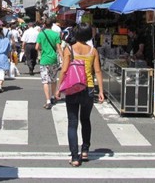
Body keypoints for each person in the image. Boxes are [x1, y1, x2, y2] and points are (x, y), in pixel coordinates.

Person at [59, 23, 104, 167]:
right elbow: (97, 71)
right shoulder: (93, 51)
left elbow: (64, 70)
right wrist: (101, 91)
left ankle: (74, 157)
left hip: (73, 88)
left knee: (72, 123)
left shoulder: (69, 49)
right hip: (89, 88)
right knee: (86, 119)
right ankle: (85, 150)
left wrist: (59, 88)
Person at [36, 18, 62, 109]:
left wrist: (42, 50)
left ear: (44, 25)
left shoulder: (41, 34)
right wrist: (62, 58)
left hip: (44, 60)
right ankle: (53, 96)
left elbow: (37, 47)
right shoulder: (56, 34)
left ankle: (47, 101)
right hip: (53, 59)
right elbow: (59, 48)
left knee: (45, 81)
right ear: (52, 25)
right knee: (53, 79)